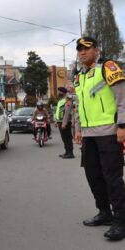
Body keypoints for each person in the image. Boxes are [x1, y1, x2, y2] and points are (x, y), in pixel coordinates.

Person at [74, 36, 125, 241]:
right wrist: (78, 128)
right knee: (93, 176)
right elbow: (79, 105)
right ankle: (104, 212)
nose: (82, 52)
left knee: (112, 178)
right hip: (88, 135)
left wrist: (122, 125)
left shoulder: (108, 67)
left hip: (108, 133)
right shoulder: (80, 76)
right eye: (79, 49)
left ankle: (121, 220)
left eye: (86, 48)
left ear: (96, 50)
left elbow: (123, 97)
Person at [54, 87, 74, 159]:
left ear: (63, 92)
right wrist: (56, 121)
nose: (58, 93)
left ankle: (70, 153)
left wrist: (64, 123)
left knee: (67, 138)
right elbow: (58, 111)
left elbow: (67, 113)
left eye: (59, 92)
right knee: (64, 138)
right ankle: (66, 152)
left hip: (65, 122)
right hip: (60, 122)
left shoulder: (68, 99)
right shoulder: (60, 101)